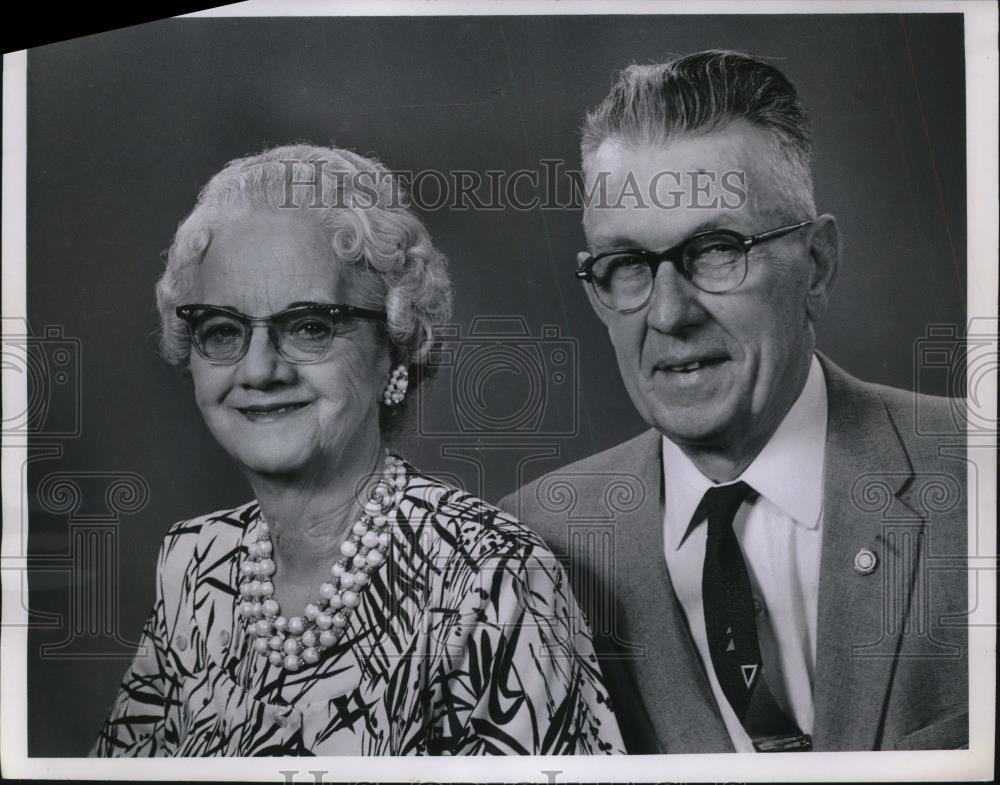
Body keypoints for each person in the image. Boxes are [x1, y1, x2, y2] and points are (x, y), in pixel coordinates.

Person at [500, 51, 967, 753]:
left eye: (716, 249)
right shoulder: (535, 545)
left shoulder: (978, 475)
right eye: (626, 265)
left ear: (817, 263)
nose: (668, 313)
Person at [92, 144, 624, 756]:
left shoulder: (489, 580)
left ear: (394, 349)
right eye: (223, 329)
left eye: (310, 327)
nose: (259, 369)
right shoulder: (194, 564)